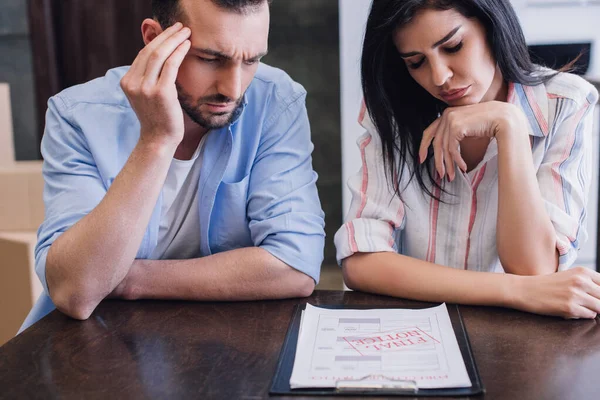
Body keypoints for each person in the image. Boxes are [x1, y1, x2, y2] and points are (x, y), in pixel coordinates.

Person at [20, 0, 325, 331]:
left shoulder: (276, 101)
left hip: (222, 342)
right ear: (154, 39)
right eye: (210, 59)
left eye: (251, 60)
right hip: (93, 346)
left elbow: (296, 265)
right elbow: (77, 293)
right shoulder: (77, 115)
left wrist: (127, 279)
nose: (233, 89)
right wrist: (156, 140)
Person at [335, 0, 600, 319]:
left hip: (519, 345)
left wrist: (510, 126)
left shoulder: (567, 103)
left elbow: (534, 269)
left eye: (453, 46)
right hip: (417, 335)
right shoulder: (394, 112)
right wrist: (512, 291)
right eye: (416, 62)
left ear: (492, 26)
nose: (439, 77)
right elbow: (362, 262)